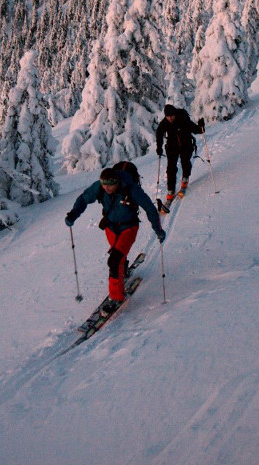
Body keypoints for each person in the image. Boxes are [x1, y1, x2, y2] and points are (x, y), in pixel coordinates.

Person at [65, 166, 165, 315]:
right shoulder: (100, 187)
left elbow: (150, 209)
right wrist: (73, 215)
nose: (106, 188)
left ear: (117, 182)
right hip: (110, 228)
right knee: (117, 255)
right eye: (104, 184)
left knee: (114, 260)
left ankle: (117, 298)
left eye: (110, 184)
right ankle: (122, 269)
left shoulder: (131, 189)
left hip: (128, 228)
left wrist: (158, 230)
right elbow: (84, 198)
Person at [156, 104, 204, 200]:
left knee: (185, 161)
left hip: (185, 144)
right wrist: (159, 147)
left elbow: (196, 130)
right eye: (167, 116)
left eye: (171, 116)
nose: (170, 118)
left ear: (175, 114)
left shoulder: (183, 119)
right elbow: (159, 133)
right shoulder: (165, 122)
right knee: (171, 168)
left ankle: (185, 177)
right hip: (172, 146)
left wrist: (201, 126)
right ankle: (171, 189)